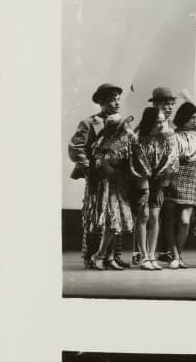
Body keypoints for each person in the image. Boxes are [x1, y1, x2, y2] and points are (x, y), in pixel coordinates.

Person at [69, 82, 123, 268]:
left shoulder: (122, 123)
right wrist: (89, 168)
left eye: (118, 99)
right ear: (102, 102)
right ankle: (90, 256)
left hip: (116, 177)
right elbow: (76, 148)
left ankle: (111, 256)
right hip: (97, 178)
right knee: (95, 215)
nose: (117, 103)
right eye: (113, 100)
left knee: (114, 215)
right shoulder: (89, 123)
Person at [87, 113, 137, 270]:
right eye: (123, 125)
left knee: (118, 223)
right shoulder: (104, 144)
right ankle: (99, 255)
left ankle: (109, 257)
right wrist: (120, 172)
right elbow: (105, 168)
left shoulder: (127, 139)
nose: (127, 127)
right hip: (109, 187)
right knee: (112, 223)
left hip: (121, 186)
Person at [131, 106, 176, 271]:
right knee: (143, 215)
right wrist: (146, 187)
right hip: (142, 179)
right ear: (149, 122)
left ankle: (151, 255)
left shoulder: (167, 138)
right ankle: (143, 256)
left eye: (163, 121)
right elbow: (137, 164)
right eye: (158, 122)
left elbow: (171, 161)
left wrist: (161, 186)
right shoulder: (138, 139)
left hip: (159, 179)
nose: (161, 125)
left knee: (155, 216)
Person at [166, 102, 196, 269]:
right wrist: (178, 159)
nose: (195, 120)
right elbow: (169, 157)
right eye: (192, 117)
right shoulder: (172, 135)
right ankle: (175, 255)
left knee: (185, 221)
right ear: (184, 117)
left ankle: (178, 253)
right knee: (170, 219)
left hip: (191, 176)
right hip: (174, 175)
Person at [149, 87, 179, 264]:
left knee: (166, 214)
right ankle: (143, 253)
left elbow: (172, 157)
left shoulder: (173, 126)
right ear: (156, 105)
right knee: (147, 215)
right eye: (166, 104)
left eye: (171, 104)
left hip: (167, 177)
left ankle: (163, 251)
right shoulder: (149, 124)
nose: (170, 107)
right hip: (149, 176)